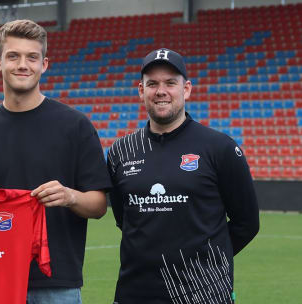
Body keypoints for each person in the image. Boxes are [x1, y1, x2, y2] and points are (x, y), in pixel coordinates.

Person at [0, 19, 112, 304]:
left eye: (32, 57)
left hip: (57, 283)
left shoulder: (75, 126)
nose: (22, 65)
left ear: (45, 64)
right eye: (13, 56)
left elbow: (99, 205)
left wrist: (69, 196)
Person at [107, 48, 260, 304]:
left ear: (186, 89)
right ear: (141, 90)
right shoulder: (120, 152)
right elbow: (126, 220)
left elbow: (247, 223)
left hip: (203, 295)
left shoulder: (219, 148)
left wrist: (206, 262)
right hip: (134, 294)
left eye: (170, 83)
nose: (161, 91)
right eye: (152, 83)